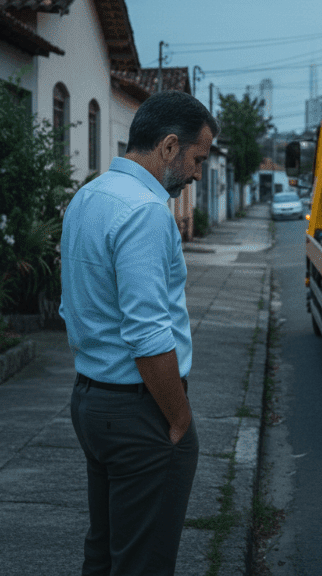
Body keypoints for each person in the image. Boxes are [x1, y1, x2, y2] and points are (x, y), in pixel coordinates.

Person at [59, 90, 219, 576]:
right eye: (197, 158)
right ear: (169, 146)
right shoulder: (146, 212)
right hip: (137, 410)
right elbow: (149, 336)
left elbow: (72, 307)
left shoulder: (89, 196)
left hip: (91, 400)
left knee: (106, 552)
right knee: (142, 562)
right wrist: (178, 417)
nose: (197, 173)